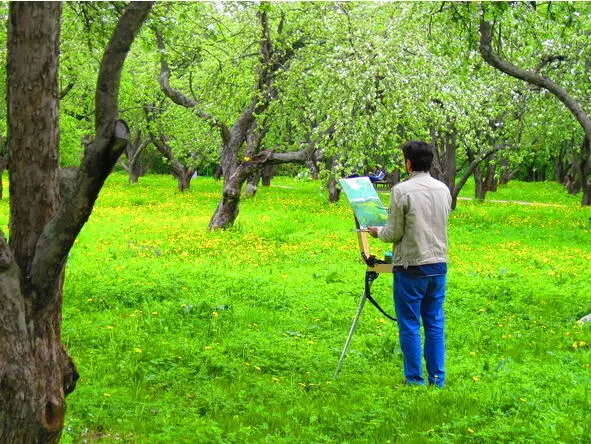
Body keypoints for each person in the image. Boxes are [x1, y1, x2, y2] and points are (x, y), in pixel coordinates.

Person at [368, 140, 451, 387]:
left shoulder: (402, 191)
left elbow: (393, 233)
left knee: (410, 324)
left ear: (408, 163)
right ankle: (437, 379)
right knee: (434, 322)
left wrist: (376, 232)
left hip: (412, 267)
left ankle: (414, 380)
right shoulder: (443, 189)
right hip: (438, 265)